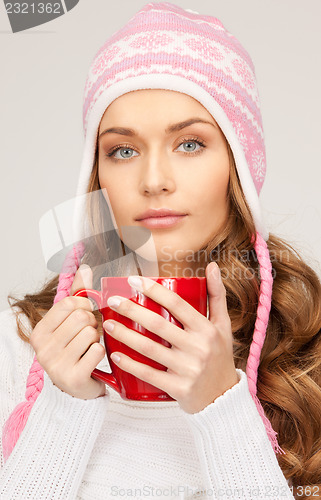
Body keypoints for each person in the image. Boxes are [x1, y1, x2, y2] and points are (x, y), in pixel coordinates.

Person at [0, 2, 320, 499]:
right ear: (96, 174)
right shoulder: (23, 348)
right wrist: (65, 406)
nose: (153, 182)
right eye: (123, 150)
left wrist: (222, 407)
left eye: (190, 143)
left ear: (239, 165)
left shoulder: (308, 355)